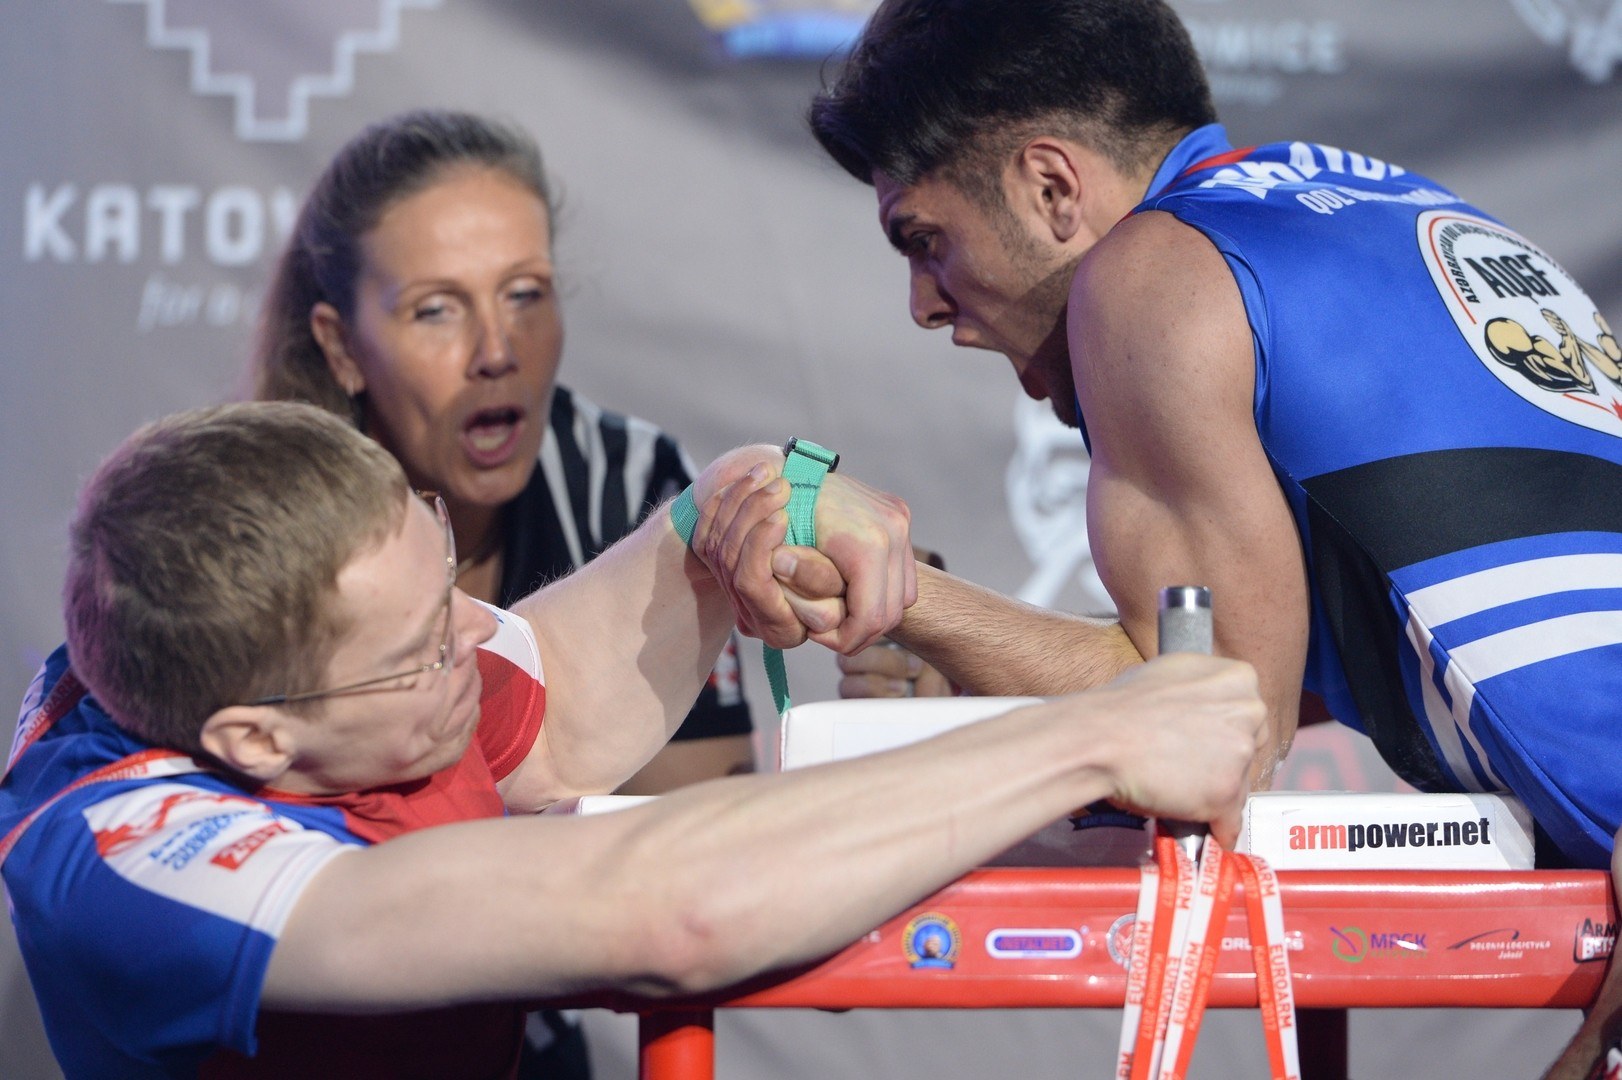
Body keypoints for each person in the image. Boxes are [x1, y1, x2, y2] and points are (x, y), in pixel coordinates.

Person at [0, 401, 1265, 1079]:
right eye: (426, 648)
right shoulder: (123, 852)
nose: (468, 639)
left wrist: (760, 494)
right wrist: (1093, 738)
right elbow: (663, 913)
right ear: (254, 741)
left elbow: (556, 703)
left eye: (446, 582)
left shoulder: (359, 670)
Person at [757, 0, 1622, 874]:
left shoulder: (1155, 271)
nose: (924, 305)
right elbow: (1269, 661)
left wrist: (896, 592)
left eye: (925, 240)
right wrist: (983, 666)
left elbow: (1220, 729)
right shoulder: (1373, 203)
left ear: (1052, 188)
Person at [253, 109, 752, 799]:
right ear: (341, 348)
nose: (497, 352)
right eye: (436, 310)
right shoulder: (266, 538)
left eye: (525, 295)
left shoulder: (633, 486)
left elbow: (697, 812)